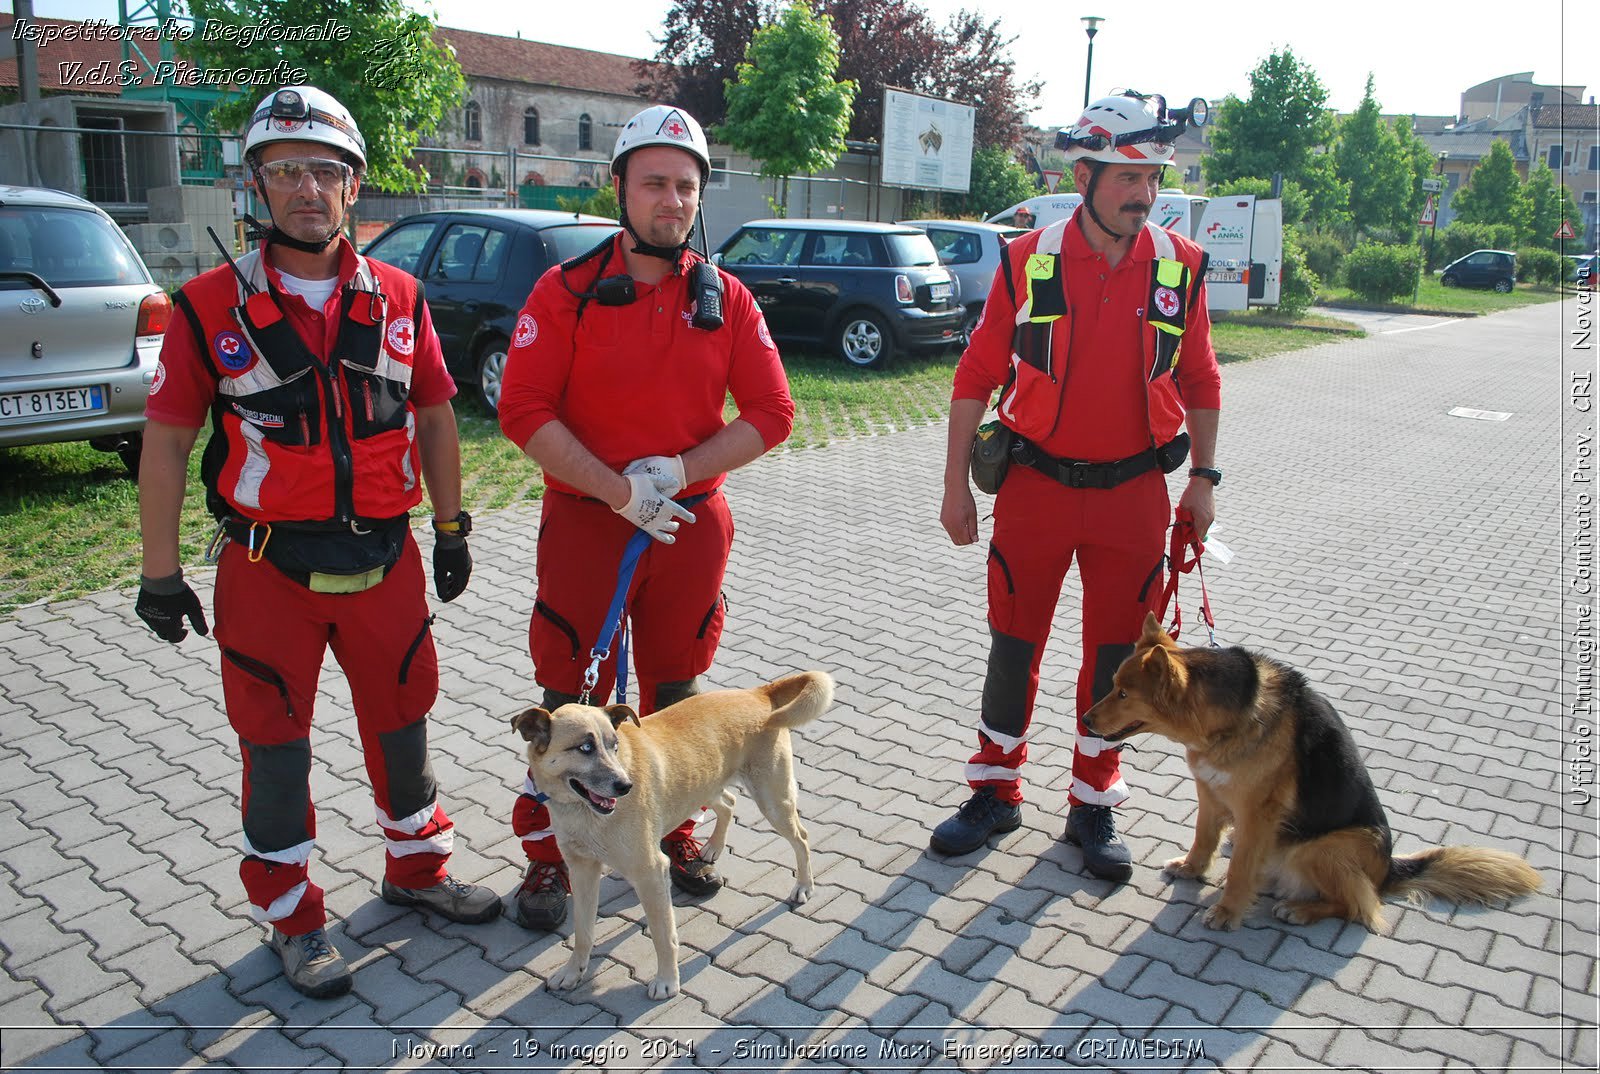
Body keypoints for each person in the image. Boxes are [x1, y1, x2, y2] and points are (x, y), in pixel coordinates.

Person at [134, 86, 499, 999]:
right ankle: (294, 918)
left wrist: (450, 529)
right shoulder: (206, 306)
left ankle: (417, 873)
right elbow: (169, 441)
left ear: (354, 186)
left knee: (404, 720)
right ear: (255, 184)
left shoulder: (402, 297)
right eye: (287, 169)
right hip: (267, 570)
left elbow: (437, 415)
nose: (308, 188)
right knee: (276, 746)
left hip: (386, 560)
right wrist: (159, 572)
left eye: (325, 171)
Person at [497, 105, 795, 930]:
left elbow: (773, 412)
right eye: (654, 183)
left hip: (687, 529)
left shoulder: (728, 299)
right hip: (589, 525)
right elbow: (521, 408)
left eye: (686, 187)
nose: (671, 200)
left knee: (676, 692)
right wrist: (615, 488)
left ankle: (670, 832)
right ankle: (551, 855)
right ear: (620, 189)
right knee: (572, 696)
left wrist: (679, 472)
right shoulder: (566, 293)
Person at [931, 91, 1222, 882]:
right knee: (1012, 647)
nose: (1145, 192)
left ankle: (1094, 802)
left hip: (1135, 498)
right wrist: (956, 485)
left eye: (1154, 176)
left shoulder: (1179, 266)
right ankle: (995, 792)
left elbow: (1201, 376)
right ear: (1084, 172)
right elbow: (977, 371)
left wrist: (1204, 478)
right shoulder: (1030, 258)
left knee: (1115, 662)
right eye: (1128, 175)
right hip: (1034, 489)